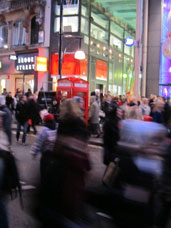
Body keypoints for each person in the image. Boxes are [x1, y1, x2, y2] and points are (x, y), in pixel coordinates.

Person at [38, 99, 90, 227]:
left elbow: (58, 143)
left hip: (62, 163)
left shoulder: (62, 123)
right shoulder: (80, 123)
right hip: (75, 165)